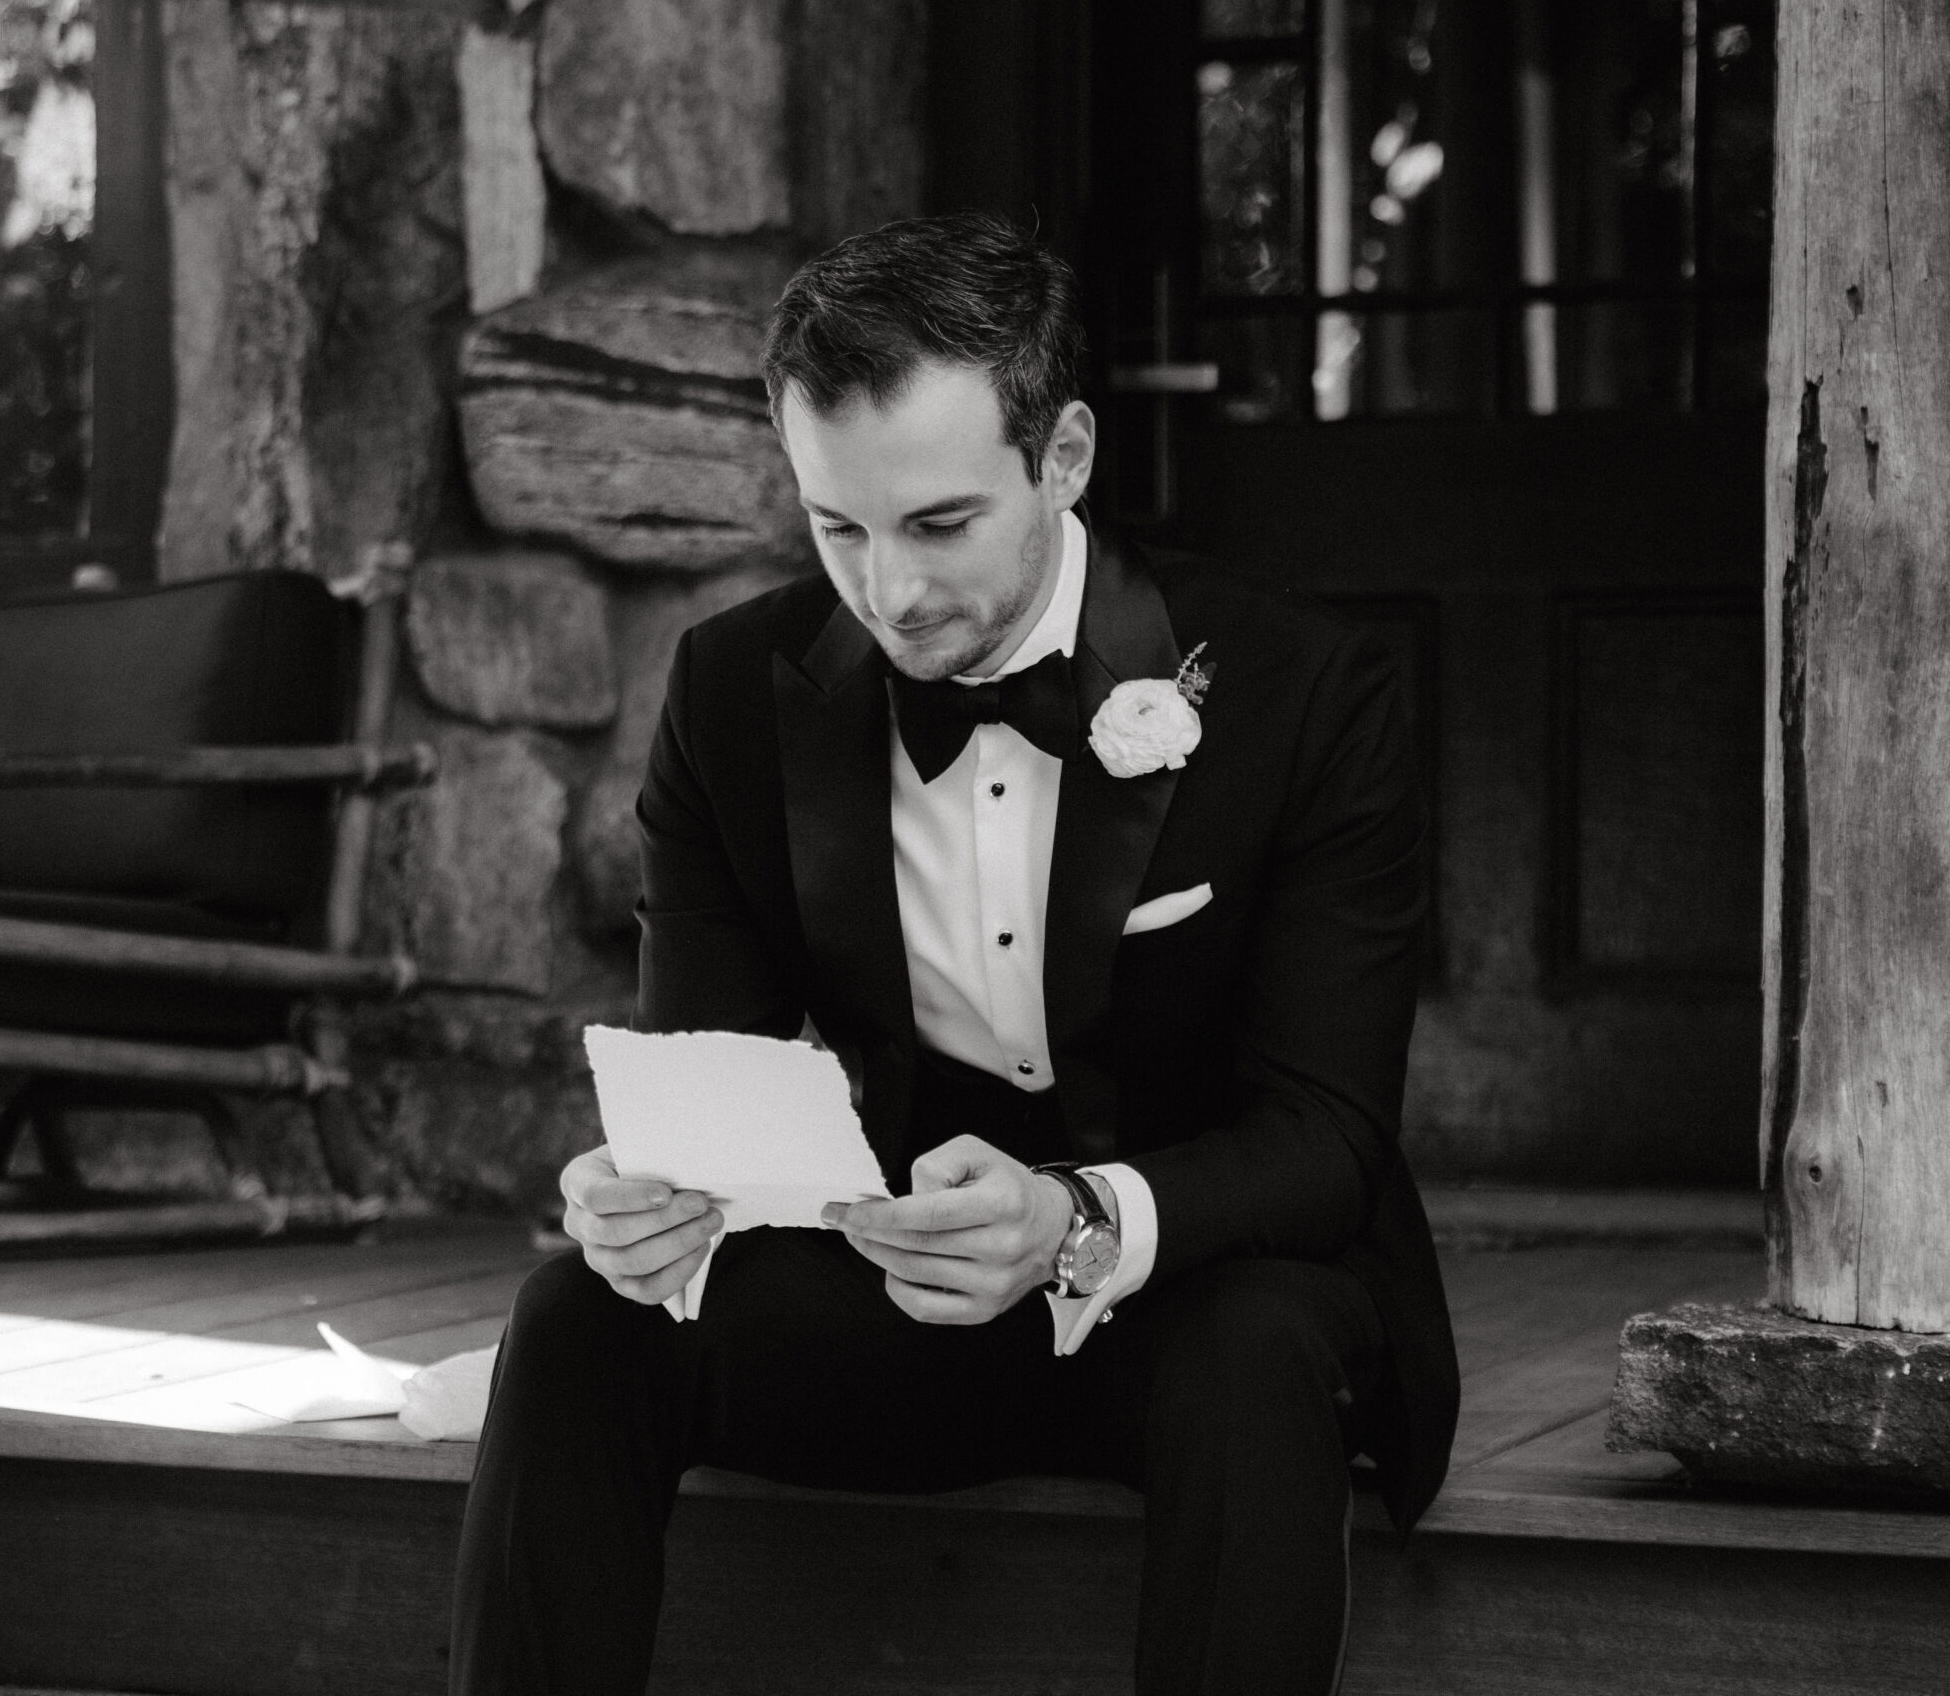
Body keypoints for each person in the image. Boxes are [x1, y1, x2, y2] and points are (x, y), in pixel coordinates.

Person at [449, 213, 1458, 1696]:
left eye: (938, 525)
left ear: (1063, 461)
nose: (890, 591)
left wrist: (1074, 1222)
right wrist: (648, 1202)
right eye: (835, 529)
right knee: (579, 1317)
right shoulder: (733, 691)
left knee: (1253, 1360)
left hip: (1194, 1287)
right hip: (898, 1293)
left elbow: (1326, 1140)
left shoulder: (1308, 695)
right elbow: (707, 1074)